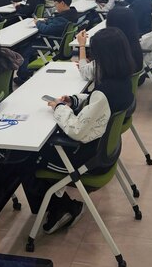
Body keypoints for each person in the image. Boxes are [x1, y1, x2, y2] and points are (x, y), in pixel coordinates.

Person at [21, 28, 134, 234]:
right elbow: (96, 103)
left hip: (87, 158)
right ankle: (58, 203)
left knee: (27, 159)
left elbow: (76, 130)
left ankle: (61, 208)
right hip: (105, 151)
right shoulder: (123, 81)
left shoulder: (104, 92)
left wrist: (59, 107)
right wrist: (74, 101)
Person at [14, 0, 79, 84]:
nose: (55, 6)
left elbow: (46, 29)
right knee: (29, 44)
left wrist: (38, 23)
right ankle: (27, 71)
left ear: (62, 3)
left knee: (24, 48)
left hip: (52, 42)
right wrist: (47, 20)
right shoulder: (71, 14)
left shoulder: (63, 19)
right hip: (58, 40)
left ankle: (22, 76)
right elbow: (55, 21)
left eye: (56, 4)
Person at [76, 7, 143, 81]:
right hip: (130, 85)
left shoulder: (112, 51)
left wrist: (82, 45)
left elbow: (85, 73)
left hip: (112, 87)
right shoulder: (134, 45)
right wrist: (94, 63)